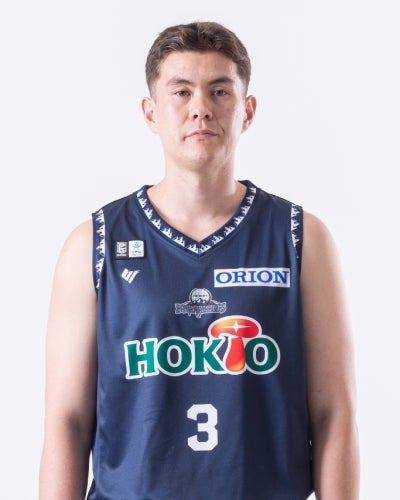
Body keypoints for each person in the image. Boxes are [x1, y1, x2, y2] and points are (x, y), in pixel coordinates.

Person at [39, 21, 360, 500]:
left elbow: (333, 411)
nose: (200, 109)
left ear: (247, 110)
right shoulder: (93, 243)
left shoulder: (301, 238)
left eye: (219, 91)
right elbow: (67, 420)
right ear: (151, 112)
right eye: (181, 92)